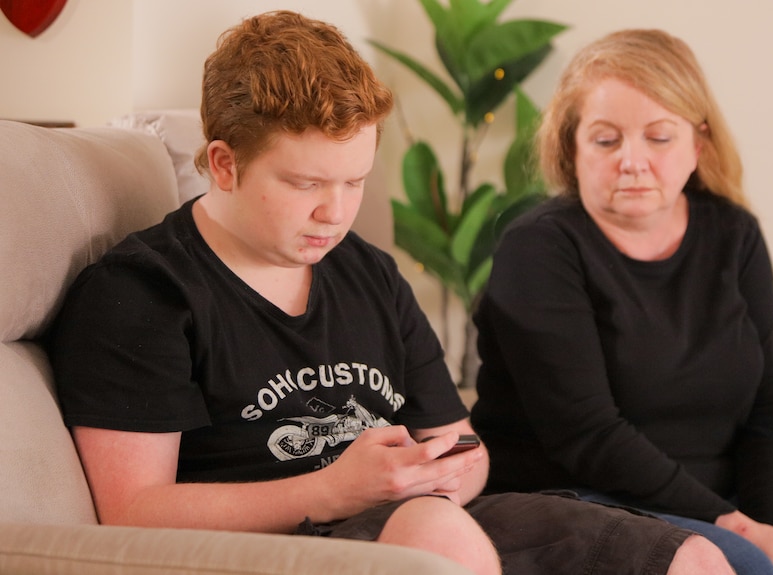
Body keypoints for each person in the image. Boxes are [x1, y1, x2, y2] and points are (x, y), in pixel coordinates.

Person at [47, 12, 735, 575]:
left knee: (691, 557)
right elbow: (132, 509)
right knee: (438, 534)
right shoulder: (142, 293)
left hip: (424, 519)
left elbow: (465, 449)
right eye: (306, 184)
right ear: (224, 163)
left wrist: (436, 477)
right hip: (281, 547)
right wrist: (334, 489)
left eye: (354, 182)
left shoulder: (368, 272)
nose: (335, 213)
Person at [470, 27, 773, 575]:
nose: (632, 161)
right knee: (749, 565)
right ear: (571, 147)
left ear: (697, 145)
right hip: (577, 492)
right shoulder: (537, 247)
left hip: (722, 499)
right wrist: (742, 531)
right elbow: (588, 435)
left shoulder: (734, 233)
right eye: (606, 140)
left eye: (659, 137)